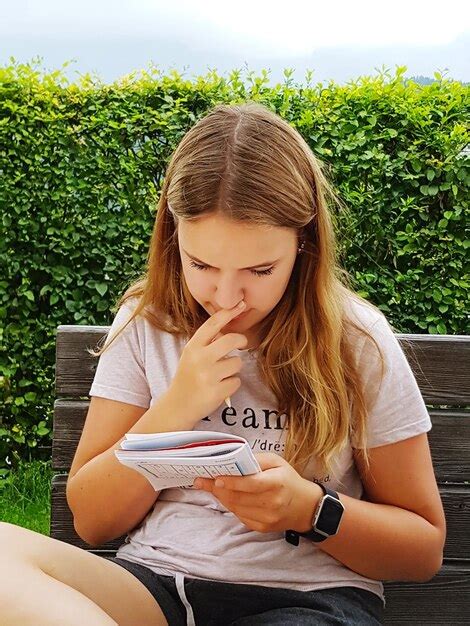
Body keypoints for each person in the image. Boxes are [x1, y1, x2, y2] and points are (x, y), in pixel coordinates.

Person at [1, 102, 446, 626]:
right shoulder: (148, 323)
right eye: (202, 264)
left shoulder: (357, 340)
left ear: (304, 245)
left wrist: (309, 510)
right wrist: (176, 407)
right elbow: (94, 523)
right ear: (174, 238)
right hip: (152, 588)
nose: (227, 295)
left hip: (306, 599)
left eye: (260, 269)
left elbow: (422, 548)